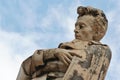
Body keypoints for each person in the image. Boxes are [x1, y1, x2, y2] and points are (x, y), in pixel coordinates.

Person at [17, 6, 111, 80]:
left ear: (97, 32)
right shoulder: (60, 49)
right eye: (76, 26)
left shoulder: (99, 51)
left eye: (81, 26)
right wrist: (53, 53)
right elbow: (27, 66)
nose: (75, 30)